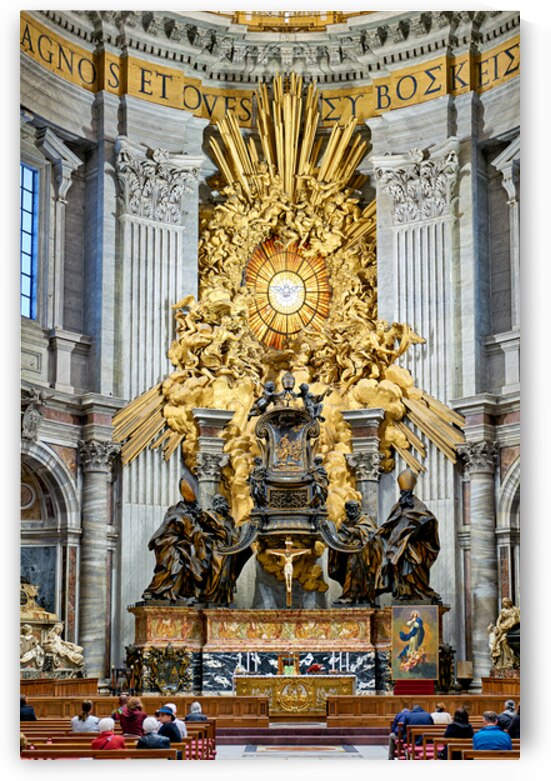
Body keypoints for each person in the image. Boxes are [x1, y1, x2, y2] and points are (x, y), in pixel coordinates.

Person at [375, 469, 441, 603]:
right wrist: (383, 531)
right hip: (397, 546)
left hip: (415, 545)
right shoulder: (397, 507)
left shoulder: (419, 506)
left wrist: (418, 530)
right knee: (397, 567)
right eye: (402, 492)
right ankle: (403, 591)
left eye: (406, 493)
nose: (404, 495)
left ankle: (419, 590)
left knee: (414, 567)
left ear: (411, 492)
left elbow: (429, 521)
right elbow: (390, 523)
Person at [328, 500, 382, 605]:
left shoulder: (365, 519)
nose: (351, 511)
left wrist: (351, 531)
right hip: (350, 552)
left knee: (355, 571)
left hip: (363, 554)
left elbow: (370, 534)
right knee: (350, 570)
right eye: (349, 509)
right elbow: (341, 537)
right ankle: (350, 595)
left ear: (358, 509)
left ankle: (357, 596)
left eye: (354, 508)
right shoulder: (345, 521)